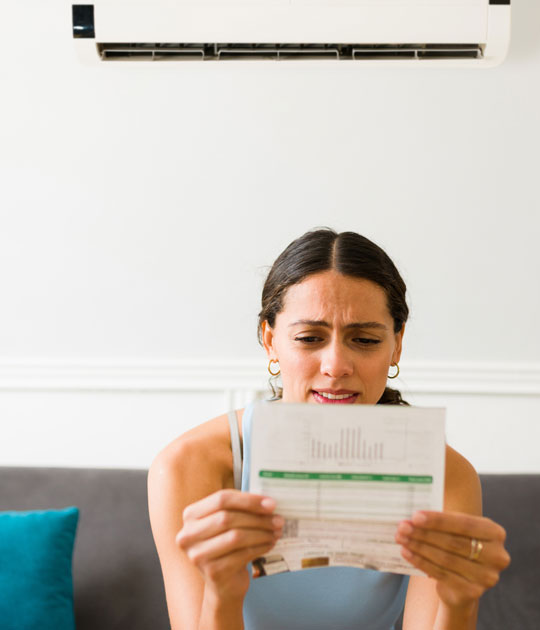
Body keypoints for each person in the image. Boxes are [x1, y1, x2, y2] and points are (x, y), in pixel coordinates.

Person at [148, 229, 511, 630]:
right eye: (309, 338)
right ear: (270, 341)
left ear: (397, 345)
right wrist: (223, 594)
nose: (336, 365)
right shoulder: (189, 465)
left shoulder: (445, 477)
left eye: (365, 339)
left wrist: (459, 603)